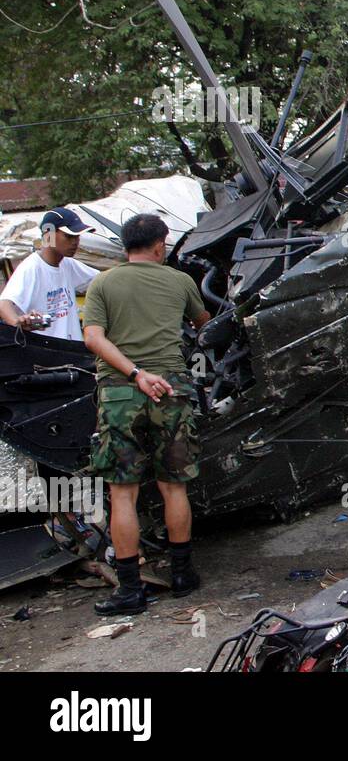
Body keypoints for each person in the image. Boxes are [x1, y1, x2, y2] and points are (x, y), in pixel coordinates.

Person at [82, 213, 211, 616]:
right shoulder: (180, 281)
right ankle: (181, 576)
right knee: (174, 487)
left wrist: (136, 374)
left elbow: (92, 337)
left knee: (123, 492)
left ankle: (130, 591)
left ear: (125, 246)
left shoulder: (102, 283)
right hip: (172, 390)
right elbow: (204, 323)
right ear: (159, 244)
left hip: (120, 393)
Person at [0, 207, 99, 340]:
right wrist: (18, 323)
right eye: (69, 236)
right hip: (46, 353)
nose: (75, 242)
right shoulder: (32, 267)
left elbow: (102, 280)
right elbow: (3, 304)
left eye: (77, 236)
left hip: (71, 350)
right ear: (49, 234)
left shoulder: (67, 264)